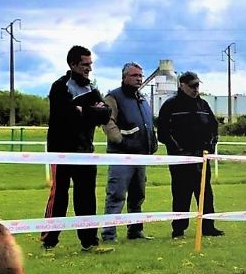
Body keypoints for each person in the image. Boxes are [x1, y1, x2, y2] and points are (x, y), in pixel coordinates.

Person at [41, 45, 111, 251]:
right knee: (59, 196)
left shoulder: (92, 88)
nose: (89, 68)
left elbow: (105, 115)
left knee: (87, 197)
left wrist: (84, 111)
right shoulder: (60, 87)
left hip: (85, 151)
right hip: (61, 151)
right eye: (85, 64)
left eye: (91, 64)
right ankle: (49, 240)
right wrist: (89, 112)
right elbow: (66, 116)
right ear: (72, 64)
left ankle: (89, 241)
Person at [156, 70, 225, 239]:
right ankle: (178, 229)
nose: (196, 89)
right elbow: (163, 133)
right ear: (182, 85)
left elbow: (213, 128)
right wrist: (178, 150)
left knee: (205, 194)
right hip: (180, 159)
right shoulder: (170, 105)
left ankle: (208, 226)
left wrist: (211, 146)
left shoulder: (203, 105)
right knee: (181, 194)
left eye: (197, 85)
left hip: (202, 158)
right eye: (192, 86)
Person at [101, 61, 158, 242]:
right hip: (121, 156)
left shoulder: (141, 98)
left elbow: (148, 123)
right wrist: (120, 140)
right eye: (134, 75)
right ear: (124, 77)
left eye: (140, 76)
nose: (138, 79)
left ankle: (135, 230)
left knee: (137, 196)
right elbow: (107, 121)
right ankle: (109, 234)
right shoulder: (113, 97)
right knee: (116, 194)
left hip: (141, 156)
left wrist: (152, 143)